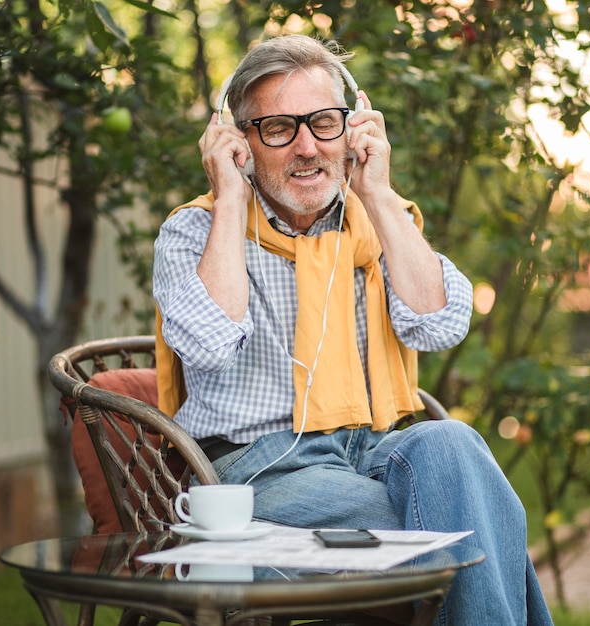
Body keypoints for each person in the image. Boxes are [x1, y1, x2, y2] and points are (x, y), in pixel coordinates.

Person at [153, 34, 553, 625]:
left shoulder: (377, 220)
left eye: (324, 122)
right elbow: (210, 344)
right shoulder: (196, 232)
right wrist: (230, 199)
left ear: (354, 125)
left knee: (455, 445)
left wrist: (380, 193)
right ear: (239, 141)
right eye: (279, 128)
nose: (309, 147)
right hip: (256, 467)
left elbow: (440, 325)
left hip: (372, 447)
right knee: (474, 519)